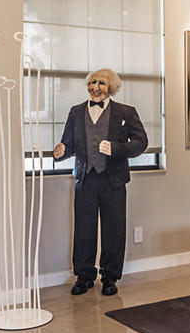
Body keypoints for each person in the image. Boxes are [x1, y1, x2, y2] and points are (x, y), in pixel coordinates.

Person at [53, 68, 147, 296]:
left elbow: (141, 142)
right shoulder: (76, 112)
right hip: (85, 178)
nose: (95, 87)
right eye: (92, 82)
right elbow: (68, 144)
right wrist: (61, 152)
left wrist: (117, 148)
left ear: (111, 87)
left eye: (101, 83)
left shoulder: (126, 112)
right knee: (83, 229)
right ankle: (84, 276)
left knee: (114, 229)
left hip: (113, 180)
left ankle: (109, 277)